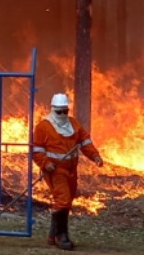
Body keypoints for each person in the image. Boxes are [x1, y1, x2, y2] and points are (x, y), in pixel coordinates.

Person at [32, 93, 104, 250]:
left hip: (71, 169)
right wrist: (46, 163)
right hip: (56, 170)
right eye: (59, 112)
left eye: (65, 111)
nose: (63, 115)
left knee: (66, 201)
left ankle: (52, 235)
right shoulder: (43, 127)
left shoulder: (73, 124)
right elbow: (36, 150)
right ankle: (61, 236)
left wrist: (95, 156)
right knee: (63, 199)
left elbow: (85, 141)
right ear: (53, 110)